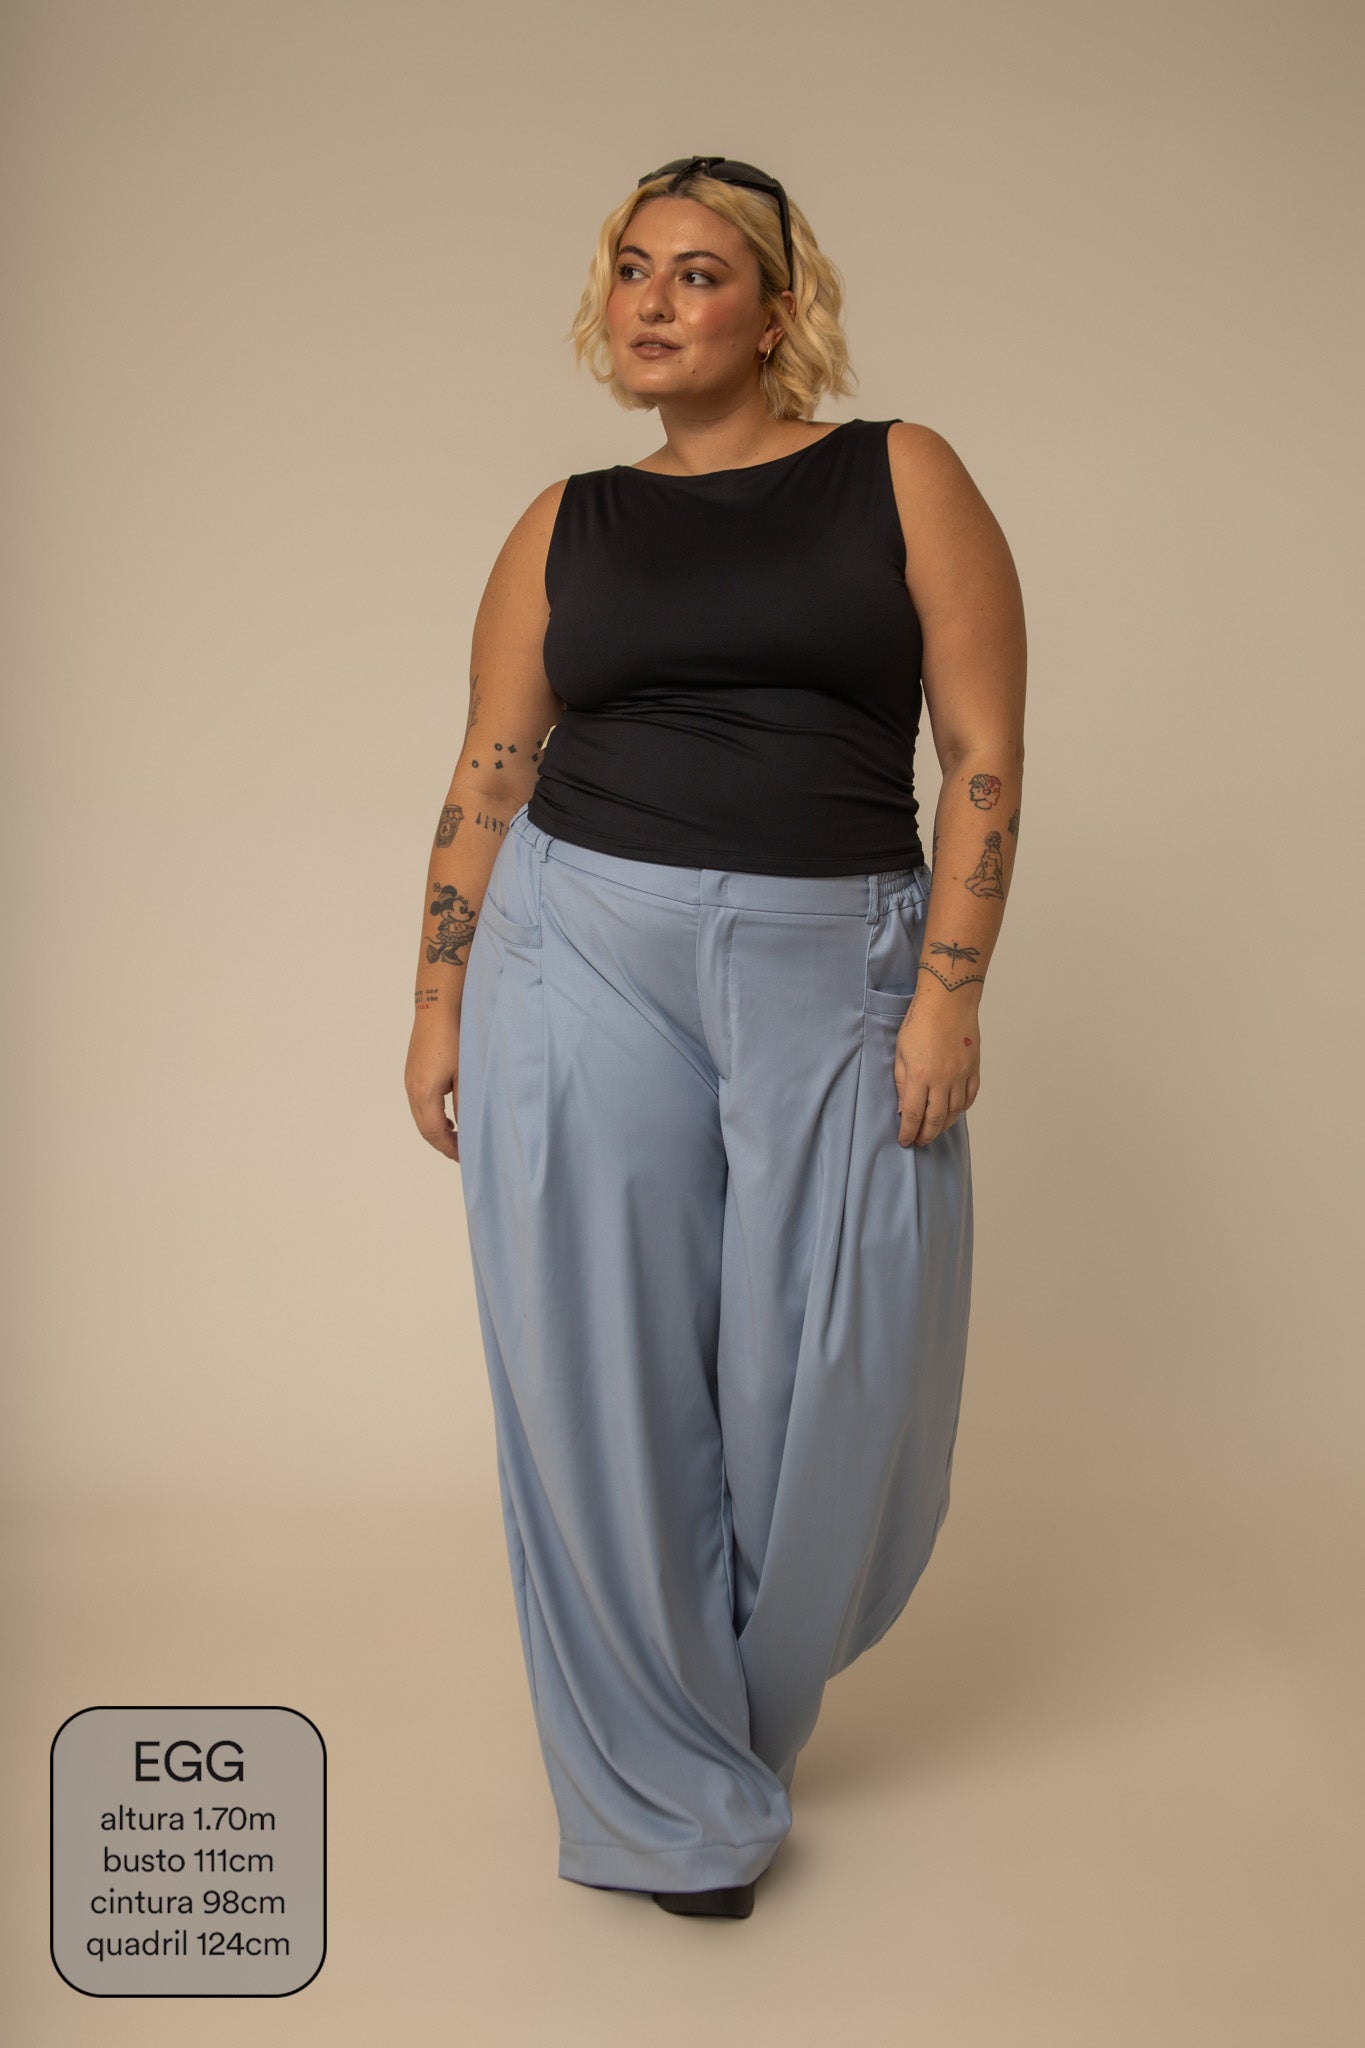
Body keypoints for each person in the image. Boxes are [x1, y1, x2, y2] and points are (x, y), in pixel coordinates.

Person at [405, 156, 1027, 1921]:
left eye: (696, 272)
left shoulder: (897, 474)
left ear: (775, 310)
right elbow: (490, 769)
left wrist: (951, 989)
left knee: (828, 1377)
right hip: (578, 948)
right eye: (630, 270)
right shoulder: (566, 521)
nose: (653, 302)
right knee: (596, 1371)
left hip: (837, 959)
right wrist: (438, 995)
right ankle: (665, 1804)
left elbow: (981, 754)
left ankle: (720, 1721)